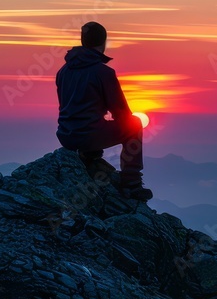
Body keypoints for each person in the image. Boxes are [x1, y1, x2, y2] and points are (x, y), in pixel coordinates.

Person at [56, 22, 153, 200]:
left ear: (83, 41)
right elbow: (121, 112)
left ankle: (89, 155)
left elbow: (69, 107)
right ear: (103, 42)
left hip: (66, 136)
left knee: (91, 122)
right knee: (134, 124)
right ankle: (131, 184)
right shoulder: (103, 72)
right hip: (88, 135)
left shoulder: (63, 71)